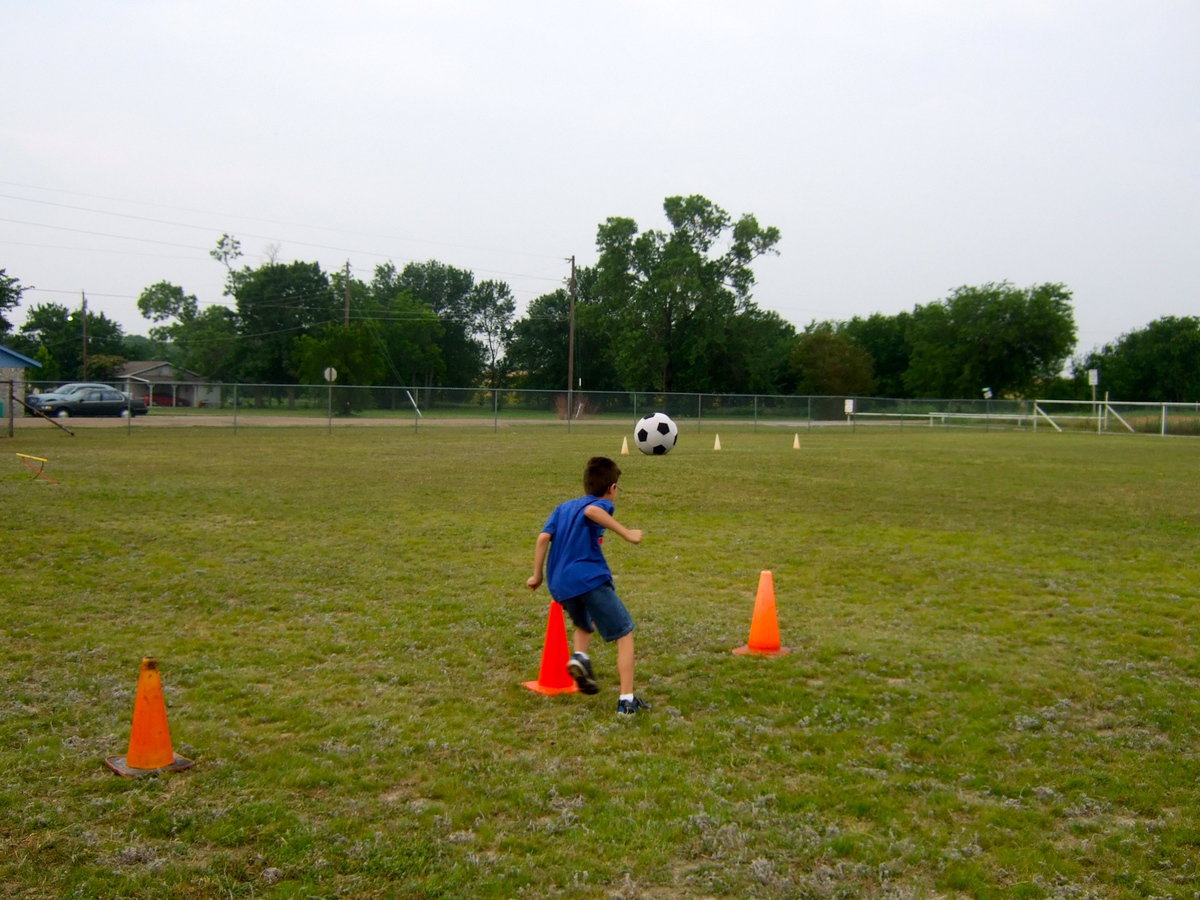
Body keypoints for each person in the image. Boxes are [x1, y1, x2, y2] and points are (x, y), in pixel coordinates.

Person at [526, 456, 649, 715]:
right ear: (612, 488)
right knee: (624, 634)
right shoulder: (600, 504)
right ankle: (627, 702)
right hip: (589, 579)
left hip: (560, 584)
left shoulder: (563, 507)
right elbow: (592, 512)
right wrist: (627, 534)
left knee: (584, 624)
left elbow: (542, 538)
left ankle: (580, 658)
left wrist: (537, 576)